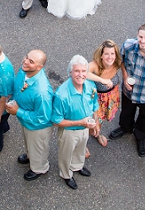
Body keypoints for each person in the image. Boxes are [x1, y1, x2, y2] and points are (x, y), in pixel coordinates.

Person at [109, 25, 145, 157]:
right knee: (126, 112)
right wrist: (125, 77)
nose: (143, 40)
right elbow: (121, 61)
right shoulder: (128, 46)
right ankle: (125, 128)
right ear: (137, 35)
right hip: (128, 92)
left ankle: (140, 136)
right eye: (140, 36)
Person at [51, 55, 98, 190]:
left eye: (84, 71)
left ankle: (77, 166)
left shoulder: (90, 86)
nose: (81, 75)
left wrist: (95, 121)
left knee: (81, 149)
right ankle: (66, 174)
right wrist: (81, 122)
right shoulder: (61, 95)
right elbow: (56, 121)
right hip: (68, 132)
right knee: (66, 154)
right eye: (77, 71)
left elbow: (94, 104)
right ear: (70, 72)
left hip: (85, 127)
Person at [6, 49, 54, 182]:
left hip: (38, 128)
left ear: (40, 67)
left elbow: (42, 118)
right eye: (26, 57)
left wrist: (18, 111)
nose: (25, 61)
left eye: (31, 61)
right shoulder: (24, 71)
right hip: (26, 121)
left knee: (39, 147)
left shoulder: (42, 92)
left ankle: (39, 168)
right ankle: (30, 156)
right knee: (29, 143)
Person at [86, 40, 123, 148]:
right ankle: (83, 145)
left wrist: (125, 77)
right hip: (96, 101)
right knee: (91, 124)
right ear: (101, 55)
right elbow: (82, 72)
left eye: (112, 54)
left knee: (100, 123)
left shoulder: (117, 63)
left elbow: (125, 64)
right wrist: (102, 80)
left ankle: (97, 134)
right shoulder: (95, 65)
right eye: (106, 54)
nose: (110, 57)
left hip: (110, 98)